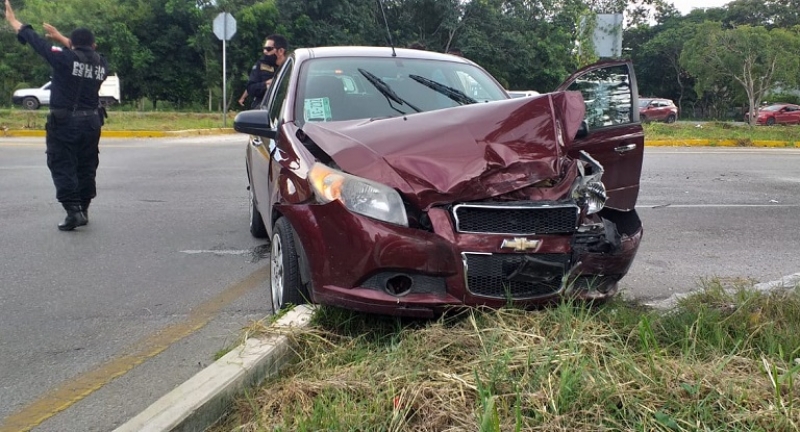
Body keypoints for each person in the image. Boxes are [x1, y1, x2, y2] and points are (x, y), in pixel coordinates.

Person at [4, 0, 110, 231]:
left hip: (65, 122)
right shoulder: (103, 63)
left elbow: (38, 43)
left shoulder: (63, 59)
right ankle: (84, 207)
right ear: (94, 44)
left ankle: (73, 212)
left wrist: (15, 23)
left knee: (61, 163)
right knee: (86, 165)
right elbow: (83, 53)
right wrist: (64, 39)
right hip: (93, 122)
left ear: (72, 43)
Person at [245, 34, 289, 108]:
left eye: (268, 49)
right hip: (263, 108)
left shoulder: (291, 67)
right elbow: (250, 88)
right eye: (264, 48)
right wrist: (266, 85)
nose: (265, 51)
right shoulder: (260, 65)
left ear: (281, 51)